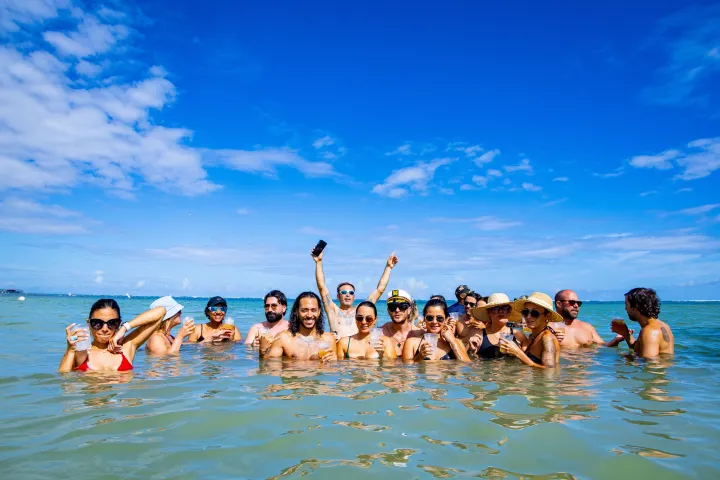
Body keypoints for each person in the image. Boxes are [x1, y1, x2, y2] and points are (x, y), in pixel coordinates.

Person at [312, 247, 399, 338]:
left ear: (354, 297)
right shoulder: (332, 311)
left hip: (357, 350)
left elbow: (379, 290)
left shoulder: (360, 311)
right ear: (338, 296)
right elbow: (321, 287)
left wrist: (388, 267)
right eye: (344, 292)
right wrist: (318, 262)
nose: (348, 294)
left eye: (351, 293)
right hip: (339, 350)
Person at [59, 299, 165, 372]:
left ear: (118, 323)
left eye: (112, 323)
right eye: (97, 323)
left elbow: (161, 311)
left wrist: (124, 328)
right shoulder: (81, 352)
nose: (105, 329)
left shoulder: (127, 347)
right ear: (89, 324)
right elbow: (63, 381)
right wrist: (70, 350)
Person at [259, 291, 338, 361]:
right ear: (297, 312)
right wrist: (262, 351)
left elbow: (332, 373)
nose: (309, 315)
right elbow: (269, 369)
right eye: (304, 310)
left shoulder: (329, 339)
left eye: (313, 310)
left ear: (319, 312)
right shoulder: (283, 339)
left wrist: (334, 363)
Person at [499, 292, 561, 368]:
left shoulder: (547, 338)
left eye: (534, 313)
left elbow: (549, 371)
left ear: (547, 316)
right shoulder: (532, 336)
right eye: (525, 312)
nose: (528, 317)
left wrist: (518, 353)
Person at [611, 288, 674, 358]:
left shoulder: (650, 331)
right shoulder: (665, 326)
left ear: (635, 306)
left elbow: (650, 364)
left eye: (626, 304)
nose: (625, 308)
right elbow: (640, 350)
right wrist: (626, 334)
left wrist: (624, 357)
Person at [402, 299, 471, 362]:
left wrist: (453, 341)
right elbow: (407, 371)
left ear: (446, 319)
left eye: (439, 318)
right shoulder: (412, 343)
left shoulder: (457, 342)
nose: (434, 322)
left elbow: (466, 367)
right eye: (429, 318)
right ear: (424, 319)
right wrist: (420, 356)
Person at [554, 289, 624, 348]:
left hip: (586, 364)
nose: (576, 306)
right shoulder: (548, 327)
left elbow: (603, 346)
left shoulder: (587, 327)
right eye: (572, 302)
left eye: (578, 303)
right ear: (558, 304)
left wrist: (616, 340)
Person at [466, 293, 523, 359]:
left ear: (510, 312)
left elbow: (528, 364)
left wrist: (518, 352)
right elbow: (465, 361)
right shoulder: (479, 335)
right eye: (496, 308)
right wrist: (471, 350)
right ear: (488, 312)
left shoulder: (519, 336)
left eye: (505, 308)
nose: (501, 311)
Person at [380, 289, 423, 356]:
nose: (397, 310)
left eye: (402, 306)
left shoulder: (419, 333)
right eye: (392, 307)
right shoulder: (381, 333)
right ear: (388, 311)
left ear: (409, 310)